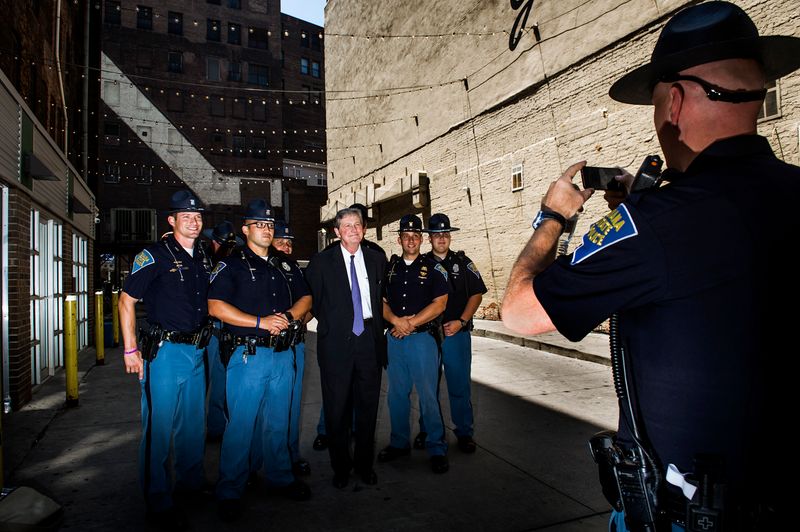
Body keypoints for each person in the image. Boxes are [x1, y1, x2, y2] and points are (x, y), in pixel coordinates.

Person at [501, 2, 800, 529]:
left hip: (688, 515)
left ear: (676, 102)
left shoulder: (655, 223)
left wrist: (552, 217)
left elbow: (520, 313)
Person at [207, 199, 312, 522]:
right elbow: (215, 306)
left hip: (283, 355)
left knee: (278, 421)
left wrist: (289, 317)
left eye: (269, 225)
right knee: (241, 424)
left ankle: (280, 476)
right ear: (246, 230)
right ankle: (230, 489)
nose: (266, 230)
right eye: (259, 225)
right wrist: (260, 322)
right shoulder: (232, 264)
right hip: (248, 354)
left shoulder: (284, 264)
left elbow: (306, 297)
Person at [118, 190, 211, 530]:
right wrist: (130, 350)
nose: (194, 221)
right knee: (158, 430)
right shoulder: (154, 255)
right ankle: (157, 499)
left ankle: (191, 484)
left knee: (192, 425)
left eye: (198, 216)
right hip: (165, 353)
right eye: (186, 216)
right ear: (171, 221)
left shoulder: (201, 256)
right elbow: (126, 300)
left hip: (196, 352)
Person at [305, 207, 388, 488]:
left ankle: (365, 465)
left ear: (363, 229)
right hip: (336, 344)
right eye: (347, 226)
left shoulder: (378, 259)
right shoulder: (321, 263)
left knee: (367, 407)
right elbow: (313, 302)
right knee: (337, 408)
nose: (353, 229)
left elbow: (379, 300)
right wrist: (333, 324)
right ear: (336, 232)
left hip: (368, 341)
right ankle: (341, 467)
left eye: (357, 224)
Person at [379, 214, 450, 474]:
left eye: (415, 236)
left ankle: (436, 446)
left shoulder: (434, 269)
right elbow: (381, 303)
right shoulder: (390, 269)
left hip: (422, 340)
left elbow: (439, 303)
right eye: (406, 236)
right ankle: (399, 442)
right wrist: (396, 321)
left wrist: (410, 323)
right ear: (399, 239)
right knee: (396, 395)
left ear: (421, 239)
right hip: (395, 340)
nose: (411, 240)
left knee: (428, 395)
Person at [412, 213, 487, 454]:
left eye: (445, 234)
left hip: (456, 334)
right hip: (428, 336)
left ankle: (464, 432)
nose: (442, 238)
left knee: (459, 386)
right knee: (427, 386)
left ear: (450, 237)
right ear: (430, 238)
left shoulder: (463, 263)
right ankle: (427, 430)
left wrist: (462, 321)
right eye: (437, 234)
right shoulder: (421, 265)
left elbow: (477, 294)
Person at [263, 219, 311, 477]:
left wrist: (295, 322)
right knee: (264, 407)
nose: (286, 247)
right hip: (266, 346)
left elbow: (309, 306)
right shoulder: (259, 267)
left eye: (290, 243)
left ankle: (291, 455)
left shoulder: (295, 271)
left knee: (291, 403)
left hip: (295, 343)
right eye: (281, 241)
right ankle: (255, 461)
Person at [201, 221, 243, 441]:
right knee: (199, 385)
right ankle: (195, 428)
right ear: (213, 241)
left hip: (221, 331)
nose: (225, 247)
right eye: (221, 243)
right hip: (201, 329)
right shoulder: (201, 260)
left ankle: (216, 428)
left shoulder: (233, 262)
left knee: (220, 384)